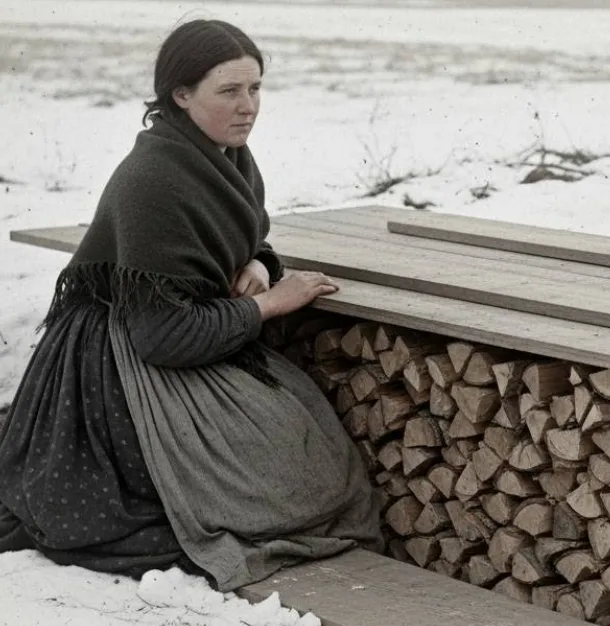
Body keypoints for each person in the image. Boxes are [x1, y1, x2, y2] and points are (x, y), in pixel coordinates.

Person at [0, 18, 382, 589]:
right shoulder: (154, 178)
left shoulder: (224, 157)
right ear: (181, 95)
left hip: (181, 329)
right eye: (229, 91)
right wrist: (274, 304)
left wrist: (258, 263)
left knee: (308, 463)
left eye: (255, 88)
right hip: (120, 362)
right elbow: (164, 335)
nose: (248, 105)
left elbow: (240, 239)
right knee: (271, 490)